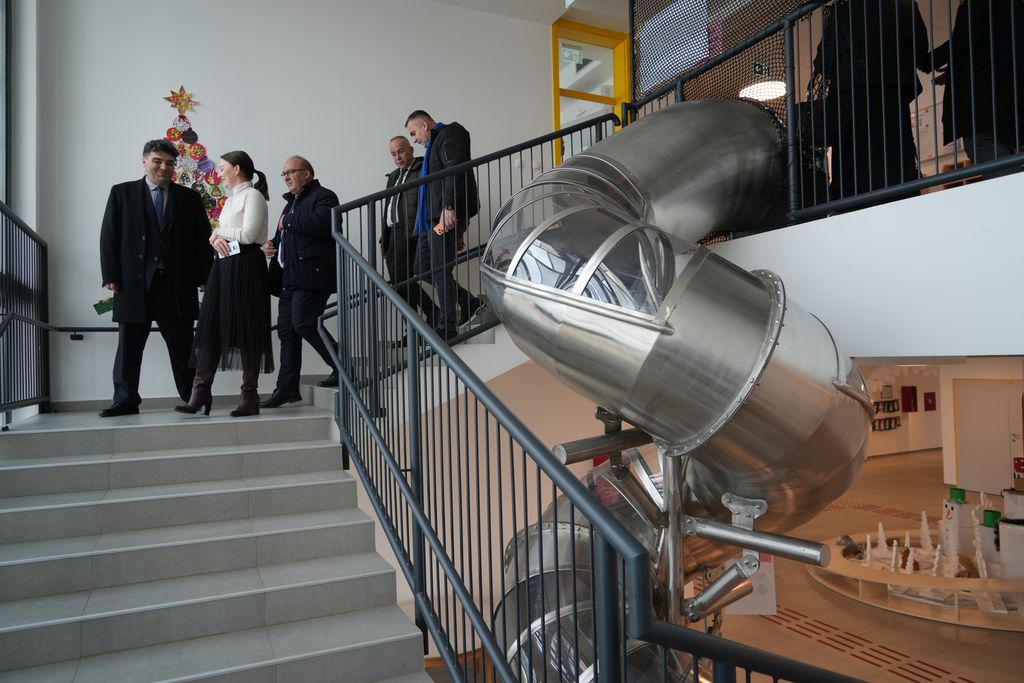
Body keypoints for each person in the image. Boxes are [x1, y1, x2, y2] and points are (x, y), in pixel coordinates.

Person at [98, 139, 213, 417]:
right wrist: (110, 274)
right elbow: (109, 234)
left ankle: (194, 399)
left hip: (176, 285)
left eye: (170, 163)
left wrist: (205, 276)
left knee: (183, 345)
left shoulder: (189, 197)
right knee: (128, 346)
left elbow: (201, 240)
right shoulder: (121, 193)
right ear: (144, 161)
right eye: (157, 161)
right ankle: (125, 400)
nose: (164, 167)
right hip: (133, 284)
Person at [176, 151, 274, 417]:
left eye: (222, 168)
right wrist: (216, 238)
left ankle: (249, 396)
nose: (219, 174)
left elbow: (250, 235)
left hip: (247, 267)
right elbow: (229, 236)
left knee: (247, 329)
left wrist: (218, 232)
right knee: (211, 327)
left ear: (237, 169)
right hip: (224, 266)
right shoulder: (231, 200)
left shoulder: (253, 196)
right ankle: (200, 393)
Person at [809, 0, 930, 202]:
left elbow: (822, 61)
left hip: (848, 97)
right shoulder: (902, 5)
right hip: (891, 91)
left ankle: (849, 204)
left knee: (850, 159)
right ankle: (899, 196)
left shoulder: (843, 9)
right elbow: (919, 50)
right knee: (893, 153)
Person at [260, 156, 341, 409]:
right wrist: (271, 245)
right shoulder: (291, 204)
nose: (286, 177)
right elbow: (285, 235)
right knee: (287, 332)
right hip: (289, 277)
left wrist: (288, 221)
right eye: (283, 173)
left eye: (291, 172)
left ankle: (343, 366)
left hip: (312, 275)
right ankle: (286, 389)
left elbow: (324, 223)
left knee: (304, 322)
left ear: (307, 173)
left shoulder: (325, 196)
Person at [405, 110, 484, 340]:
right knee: (422, 267)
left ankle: (448, 326)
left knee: (439, 268)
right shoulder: (434, 144)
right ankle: (468, 302)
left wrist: (449, 208)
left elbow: (453, 171)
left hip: (442, 218)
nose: (414, 140)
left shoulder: (450, 134)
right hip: (432, 223)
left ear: (424, 125)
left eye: (413, 133)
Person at [932, 0, 1024, 176]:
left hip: (983, 105)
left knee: (981, 145)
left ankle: (1014, 190)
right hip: (1005, 98)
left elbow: (966, 37)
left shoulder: (978, 5)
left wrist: (930, 60)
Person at [382, 136, 441, 326]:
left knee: (402, 281)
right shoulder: (393, 176)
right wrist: (384, 238)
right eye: (393, 154)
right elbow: (389, 208)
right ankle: (414, 326)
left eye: (401, 151)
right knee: (399, 283)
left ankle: (430, 313)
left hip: (410, 232)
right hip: (392, 233)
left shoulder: (422, 169)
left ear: (411, 150)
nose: (398, 157)